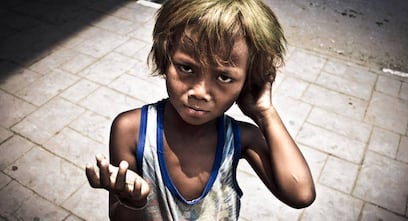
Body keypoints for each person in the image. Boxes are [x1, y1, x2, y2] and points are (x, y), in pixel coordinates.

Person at [85, 0, 316, 220]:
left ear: (248, 81)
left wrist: (265, 112)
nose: (200, 92)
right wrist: (131, 201)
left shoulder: (240, 138)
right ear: (165, 58)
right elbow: (118, 216)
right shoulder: (131, 130)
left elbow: (300, 194)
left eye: (224, 77)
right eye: (186, 68)